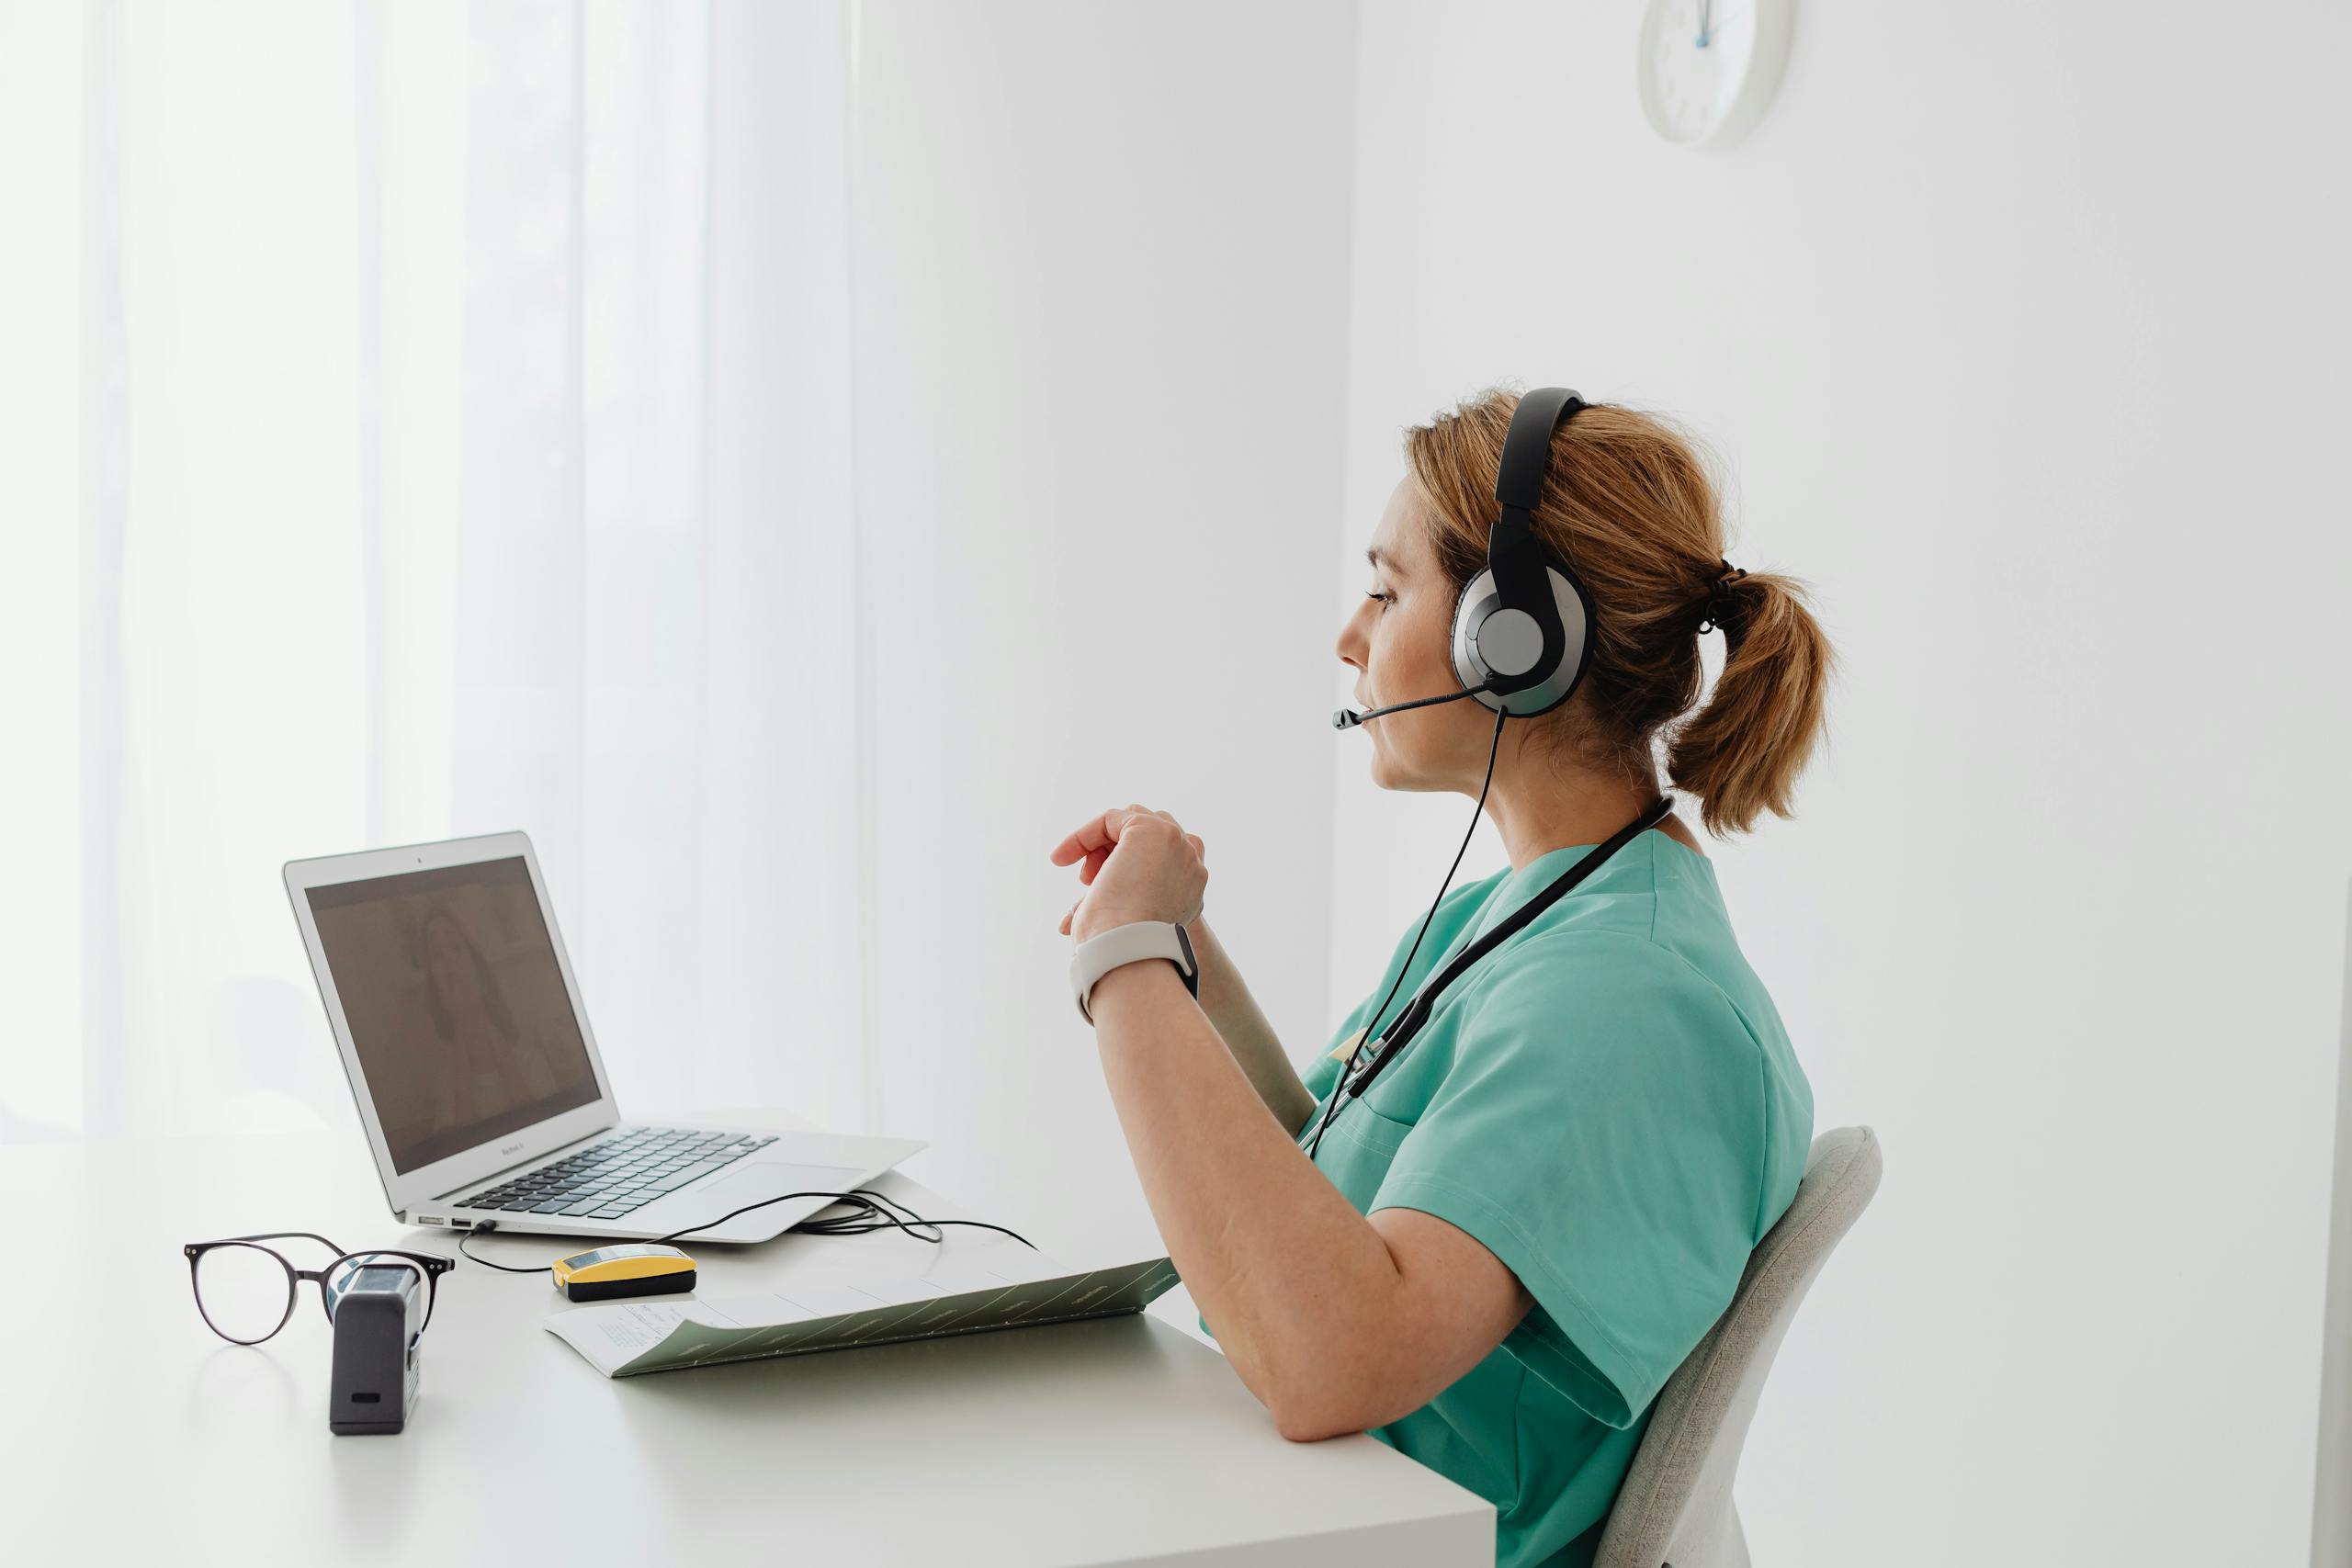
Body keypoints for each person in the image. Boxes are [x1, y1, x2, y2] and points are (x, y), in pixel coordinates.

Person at [1048, 387, 1833, 1568]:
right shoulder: (1534, 916)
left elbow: (1331, 1359)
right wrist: (1183, 951)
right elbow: (1325, 1188)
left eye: (1384, 586)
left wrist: (1125, 971)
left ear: (1514, 637)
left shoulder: (1623, 1000)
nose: (1348, 637)